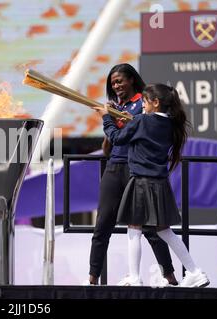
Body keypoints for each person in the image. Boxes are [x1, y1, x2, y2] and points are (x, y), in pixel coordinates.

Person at [96, 83, 210, 287]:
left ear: (155, 103)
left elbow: (116, 138)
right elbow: (138, 132)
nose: (142, 105)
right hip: (160, 184)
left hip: (141, 182)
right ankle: (195, 271)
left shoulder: (140, 121)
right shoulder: (170, 125)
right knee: (165, 231)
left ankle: (134, 277)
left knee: (134, 228)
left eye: (145, 102)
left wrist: (106, 117)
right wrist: (125, 122)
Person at [85, 64, 177, 286]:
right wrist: (110, 120)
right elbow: (110, 144)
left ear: (132, 80)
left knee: (150, 227)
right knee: (102, 224)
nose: (116, 86)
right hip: (114, 167)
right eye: (113, 83)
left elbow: (142, 131)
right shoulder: (117, 107)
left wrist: (120, 120)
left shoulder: (143, 105)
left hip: (136, 169)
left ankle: (170, 276)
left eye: (119, 81)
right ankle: (92, 278)